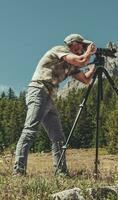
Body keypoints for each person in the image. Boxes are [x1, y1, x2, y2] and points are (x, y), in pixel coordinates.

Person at [13, 34, 97, 176]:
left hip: (49, 97)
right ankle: (18, 172)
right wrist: (89, 52)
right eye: (82, 45)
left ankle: (61, 173)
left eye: (85, 46)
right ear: (73, 43)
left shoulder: (71, 65)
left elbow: (85, 80)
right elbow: (82, 61)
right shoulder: (60, 50)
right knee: (30, 131)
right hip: (39, 90)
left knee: (58, 137)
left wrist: (95, 66)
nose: (83, 48)